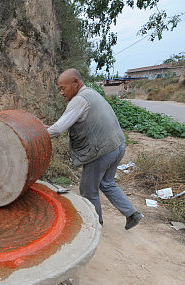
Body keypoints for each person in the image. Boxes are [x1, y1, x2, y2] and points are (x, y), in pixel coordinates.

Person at [47, 68, 143, 229]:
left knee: (88, 190)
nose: (61, 93)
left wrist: (37, 135)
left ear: (76, 83)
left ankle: (95, 224)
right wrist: (48, 129)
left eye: (63, 88)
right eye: (59, 90)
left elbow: (58, 129)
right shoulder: (91, 93)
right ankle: (132, 213)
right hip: (117, 146)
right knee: (106, 183)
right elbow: (60, 125)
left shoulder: (79, 100)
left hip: (101, 152)